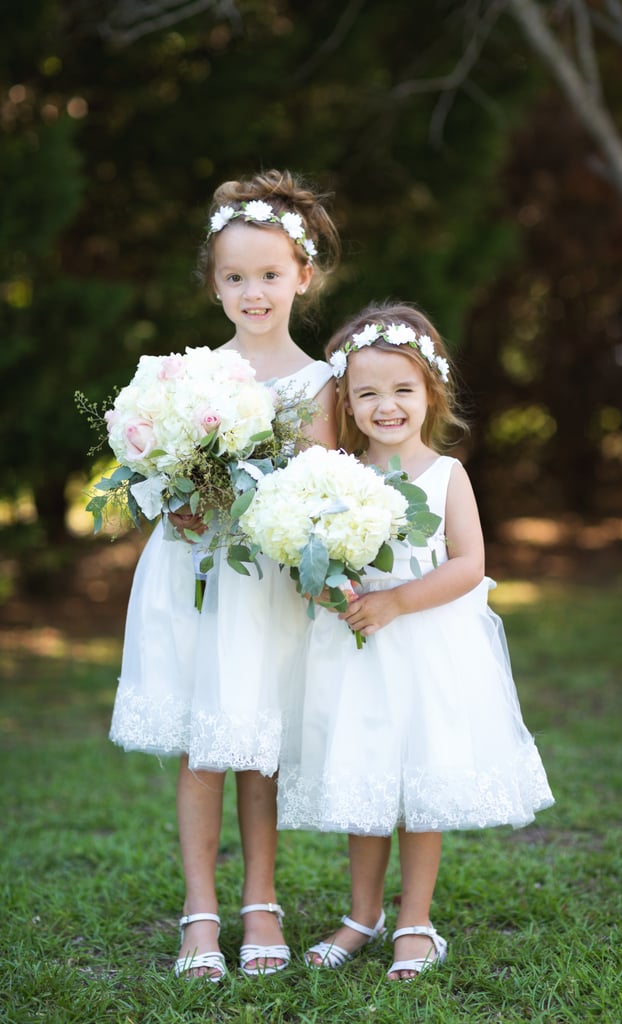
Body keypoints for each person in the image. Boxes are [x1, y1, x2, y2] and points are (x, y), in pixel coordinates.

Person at [277, 301, 554, 981]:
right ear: (345, 399)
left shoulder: (446, 473)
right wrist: (323, 585)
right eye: (367, 393)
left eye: (401, 390)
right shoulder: (335, 476)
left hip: (425, 648)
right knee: (363, 781)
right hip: (356, 652)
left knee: (417, 788)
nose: (386, 405)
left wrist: (397, 599)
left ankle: (415, 921)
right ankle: (360, 913)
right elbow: (308, 556)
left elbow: (468, 564)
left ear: (429, 392)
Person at [109, 170, 341, 981]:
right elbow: (146, 475)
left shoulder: (318, 384)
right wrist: (171, 491)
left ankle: (262, 901)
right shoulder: (185, 379)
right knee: (203, 747)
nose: (253, 291)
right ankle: (200, 912)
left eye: (269, 275)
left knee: (258, 744)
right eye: (235, 277)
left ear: (301, 277)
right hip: (194, 577)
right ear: (214, 285)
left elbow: (316, 490)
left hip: (265, 586)